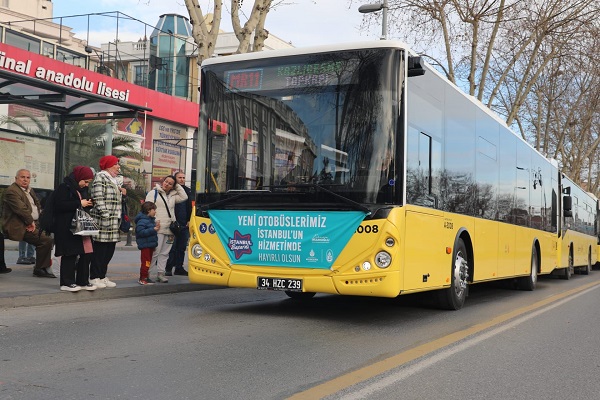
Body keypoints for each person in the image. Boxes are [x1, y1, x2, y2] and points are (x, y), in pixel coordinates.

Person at [2, 169, 54, 278]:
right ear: (16, 178)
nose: (25, 180)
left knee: (49, 237)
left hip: (33, 223)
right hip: (19, 226)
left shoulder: (29, 190)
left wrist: (38, 220)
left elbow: (37, 205)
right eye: (22, 177)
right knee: (45, 240)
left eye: (28, 177)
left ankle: (42, 267)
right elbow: (21, 209)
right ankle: (40, 269)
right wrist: (30, 222)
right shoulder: (12, 191)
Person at [53, 166, 97, 292]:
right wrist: (79, 203)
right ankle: (67, 282)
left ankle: (82, 281)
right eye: (86, 181)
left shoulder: (82, 189)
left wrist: (88, 204)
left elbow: (82, 206)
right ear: (79, 177)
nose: (86, 184)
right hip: (67, 227)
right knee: (70, 254)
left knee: (87, 252)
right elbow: (60, 205)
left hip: (81, 227)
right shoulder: (65, 187)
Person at [89, 155, 125, 288]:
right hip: (103, 221)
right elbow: (98, 197)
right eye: (116, 164)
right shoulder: (100, 177)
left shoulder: (115, 180)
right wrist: (105, 215)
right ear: (109, 165)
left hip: (114, 221)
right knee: (100, 251)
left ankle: (103, 276)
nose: (118, 166)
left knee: (109, 250)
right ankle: (94, 276)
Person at [144, 175, 188, 283]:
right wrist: (154, 222)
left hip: (170, 229)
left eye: (170, 183)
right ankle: (146, 273)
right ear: (162, 181)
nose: (166, 184)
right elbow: (147, 209)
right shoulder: (153, 193)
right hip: (158, 228)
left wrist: (177, 185)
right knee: (155, 252)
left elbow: (184, 197)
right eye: (166, 181)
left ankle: (160, 273)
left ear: (173, 186)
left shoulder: (173, 196)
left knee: (165, 253)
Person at [165, 171, 192, 276]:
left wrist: (189, 219)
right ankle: (168, 268)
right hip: (173, 224)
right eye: (179, 177)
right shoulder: (171, 192)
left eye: (183, 177)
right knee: (171, 247)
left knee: (181, 247)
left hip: (184, 224)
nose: (182, 179)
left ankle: (179, 268)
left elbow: (189, 206)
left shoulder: (187, 191)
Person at [135, 201, 160, 285]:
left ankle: (145, 277)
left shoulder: (150, 220)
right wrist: (153, 229)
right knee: (145, 262)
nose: (155, 212)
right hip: (145, 245)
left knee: (148, 262)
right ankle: (143, 278)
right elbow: (140, 232)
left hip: (150, 245)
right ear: (149, 210)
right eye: (154, 210)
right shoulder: (142, 220)